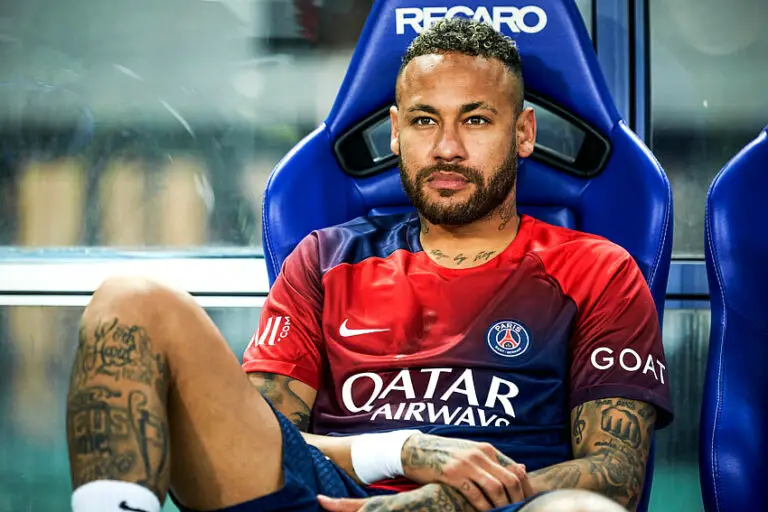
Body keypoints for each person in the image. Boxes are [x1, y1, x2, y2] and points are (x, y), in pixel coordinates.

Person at [66, 18, 673, 512]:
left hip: (504, 506)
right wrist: (402, 451)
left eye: (476, 119)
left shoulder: (597, 270)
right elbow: (264, 435)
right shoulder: (325, 259)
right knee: (128, 300)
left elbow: (614, 473)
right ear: (395, 133)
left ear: (523, 133)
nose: (447, 148)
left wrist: (443, 502)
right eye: (424, 120)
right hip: (332, 499)